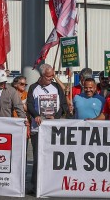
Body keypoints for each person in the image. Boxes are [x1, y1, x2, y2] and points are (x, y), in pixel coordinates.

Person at [26, 64, 68, 194]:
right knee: (38, 158)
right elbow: (29, 104)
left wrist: (56, 116)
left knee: (54, 158)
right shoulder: (33, 87)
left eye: (52, 76)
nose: (52, 78)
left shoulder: (56, 87)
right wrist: (36, 115)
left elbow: (64, 105)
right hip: (37, 129)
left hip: (54, 129)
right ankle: (35, 186)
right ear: (42, 75)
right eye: (49, 76)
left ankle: (53, 185)